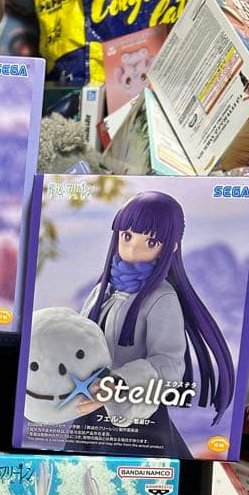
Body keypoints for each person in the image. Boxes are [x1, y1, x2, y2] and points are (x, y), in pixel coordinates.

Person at [79, 190, 234, 457]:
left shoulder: (161, 298)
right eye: (127, 236)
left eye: (150, 242)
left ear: (170, 247)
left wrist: (117, 383)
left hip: (136, 420)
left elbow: (169, 363)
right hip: (90, 412)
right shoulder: (103, 291)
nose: (133, 249)